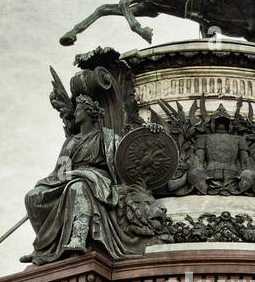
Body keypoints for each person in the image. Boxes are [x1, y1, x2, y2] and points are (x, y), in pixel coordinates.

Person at [23, 95, 163, 264]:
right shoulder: (70, 142)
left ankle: (78, 238)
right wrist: (51, 183)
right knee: (33, 196)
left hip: (98, 179)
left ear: (89, 113)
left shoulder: (107, 137)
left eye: (79, 109)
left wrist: (151, 134)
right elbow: (60, 172)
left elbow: (131, 159)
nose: (75, 113)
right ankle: (43, 248)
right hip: (70, 178)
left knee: (78, 187)